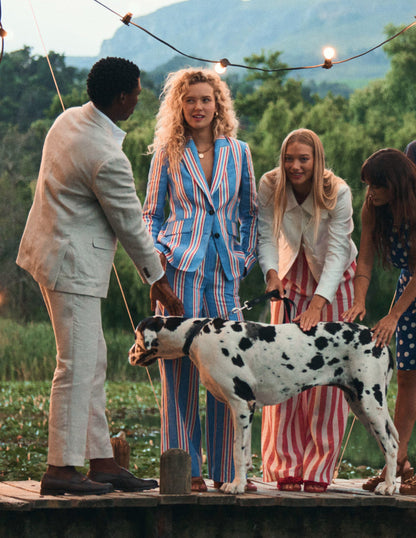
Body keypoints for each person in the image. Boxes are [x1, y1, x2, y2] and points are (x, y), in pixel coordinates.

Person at [16, 57, 184, 496]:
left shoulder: (69, 119)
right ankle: (60, 468)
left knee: (92, 361)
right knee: (75, 365)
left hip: (49, 253)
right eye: (136, 92)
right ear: (121, 97)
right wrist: (157, 279)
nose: (139, 99)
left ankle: (103, 462)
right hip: (72, 266)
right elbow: (130, 224)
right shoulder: (106, 157)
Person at [143, 67, 258, 492]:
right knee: (178, 368)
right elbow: (150, 215)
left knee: (227, 370)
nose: (198, 107)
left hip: (225, 274)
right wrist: (156, 263)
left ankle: (229, 471)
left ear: (217, 104)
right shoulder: (167, 153)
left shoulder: (239, 152)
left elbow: (250, 213)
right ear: (179, 106)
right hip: (179, 271)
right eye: (190, 100)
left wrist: (243, 258)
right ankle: (185, 468)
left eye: (205, 99)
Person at [257, 128, 357, 493]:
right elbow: (265, 235)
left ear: (317, 160)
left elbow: (338, 253)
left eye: (304, 159)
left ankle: (317, 468)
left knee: (327, 377)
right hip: (288, 277)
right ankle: (284, 466)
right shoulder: (270, 184)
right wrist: (271, 273)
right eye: (289, 159)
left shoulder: (338, 191)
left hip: (333, 283)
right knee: (281, 371)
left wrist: (318, 303)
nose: (296, 166)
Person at [343, 147, 416, 495]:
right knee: (406, 377)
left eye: (377, 185)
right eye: (367, 185)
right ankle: (397, 463)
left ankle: (397, 464)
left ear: (396, 185)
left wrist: (394, 315)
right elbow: (366, 260)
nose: (370, 192)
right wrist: (359, 300)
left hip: (410, 293)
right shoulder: (373, 207)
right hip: (409, 291)